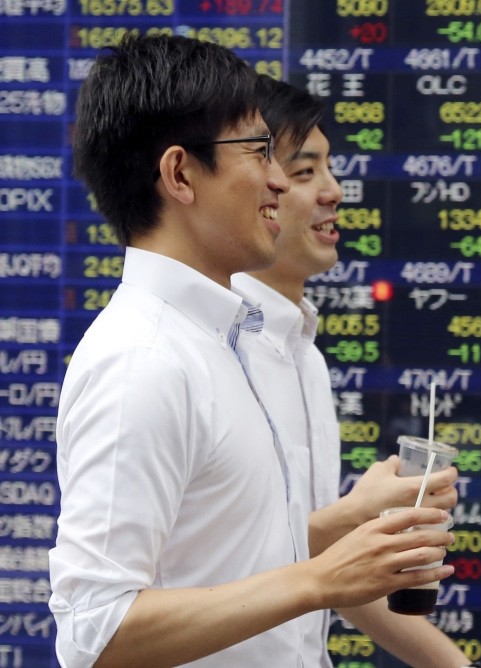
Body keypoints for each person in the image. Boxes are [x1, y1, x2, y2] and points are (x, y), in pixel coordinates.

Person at [50, 35, 454, 668]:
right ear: (180, 174)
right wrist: (321, 578)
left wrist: (349, 531)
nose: (277, 181)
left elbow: (226, 560)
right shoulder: (143, 360)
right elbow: (95, 632)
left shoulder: (231, 338)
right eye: (260, 153)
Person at [231, 75, 471, 667]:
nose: (334, 191)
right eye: (305, 171)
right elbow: (211, 569)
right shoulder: (208, 352)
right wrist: (352, 516)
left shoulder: (304, 357)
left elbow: (320, 574)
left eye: (330, 169)